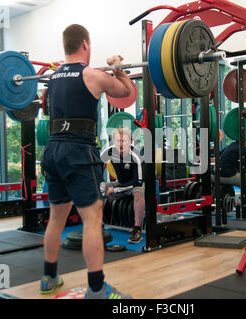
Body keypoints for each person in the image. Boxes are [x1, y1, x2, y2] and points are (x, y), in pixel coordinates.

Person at [41, 24, 133, 299]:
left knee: (56, 218)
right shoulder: (92, 75)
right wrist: (117, 67)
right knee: (92, 218)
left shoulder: (53, 77)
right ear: (85, 44)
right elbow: (126, 93)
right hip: (78, 151)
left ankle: (49, 278)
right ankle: (96, 289)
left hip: (53, 150)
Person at [101, 127, 145, 244]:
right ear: (113, 142)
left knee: (138, 193)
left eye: (124, 141)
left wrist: (115, 189)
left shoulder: (135, 156)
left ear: (130, 141)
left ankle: (137, 229)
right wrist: (99, 184)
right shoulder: (110, 152)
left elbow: (137, 182)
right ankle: (96, 225)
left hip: (137, 185)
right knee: (98, 189)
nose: (120, 144)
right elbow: (97, 167)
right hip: (120, 184)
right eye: (118, 141)